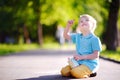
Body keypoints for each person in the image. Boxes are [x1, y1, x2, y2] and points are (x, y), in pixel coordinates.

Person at [61, 14, 102, 78]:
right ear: (79, 26)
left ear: (92, 25)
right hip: (78, 63)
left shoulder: (94, 39)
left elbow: (96, 55)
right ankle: (79, 71)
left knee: (75, 72)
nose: (83, 22)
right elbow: (65, 36)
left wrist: (81, 57)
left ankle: (90, 72)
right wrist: (68, 26)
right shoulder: (78, 36)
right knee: (63, 71)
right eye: (81, 21)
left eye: (87, 20)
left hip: (89, 64)